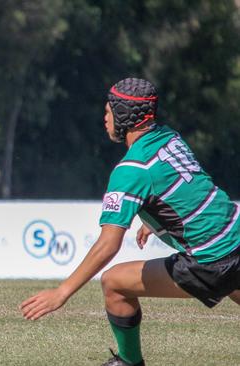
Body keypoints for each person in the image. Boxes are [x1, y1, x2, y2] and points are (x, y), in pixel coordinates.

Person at [20, 77, 240, 366]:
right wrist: (154, 220)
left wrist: (62, 292)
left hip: (210, 260)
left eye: (109, 110)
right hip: (235, 236)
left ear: (124, 115)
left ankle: (129, 362)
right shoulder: (170, 138)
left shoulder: (130, 170)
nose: (105, 117)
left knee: (114, 283)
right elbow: (189, 184)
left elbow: (108, 244)